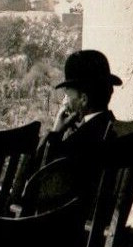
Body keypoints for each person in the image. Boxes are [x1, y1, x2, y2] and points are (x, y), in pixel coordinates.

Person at [37, 49, 120, 193]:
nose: (64, 101)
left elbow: (39, 175)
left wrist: (56, 132)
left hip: (67, 213)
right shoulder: (112, 129)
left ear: (83, 99)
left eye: (67, 94)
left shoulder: (82, 140)